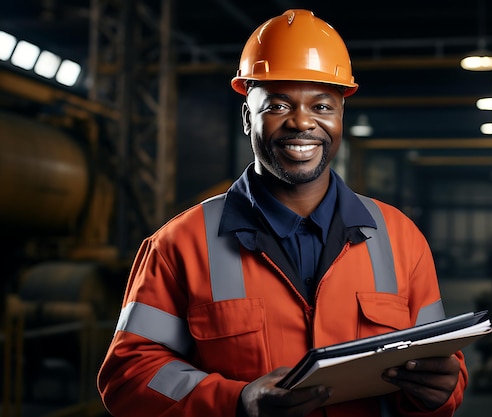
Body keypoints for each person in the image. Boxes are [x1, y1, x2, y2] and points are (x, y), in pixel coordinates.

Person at [97, 9, 468, 417]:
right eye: (277, 105)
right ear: (246, 117)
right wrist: (237, 401)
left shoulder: (401, 238)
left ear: (341, 117)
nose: (302, 122)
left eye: (323, 106)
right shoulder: (179, 245)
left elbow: (442, 364)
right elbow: (129, 377)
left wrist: (442, 392)